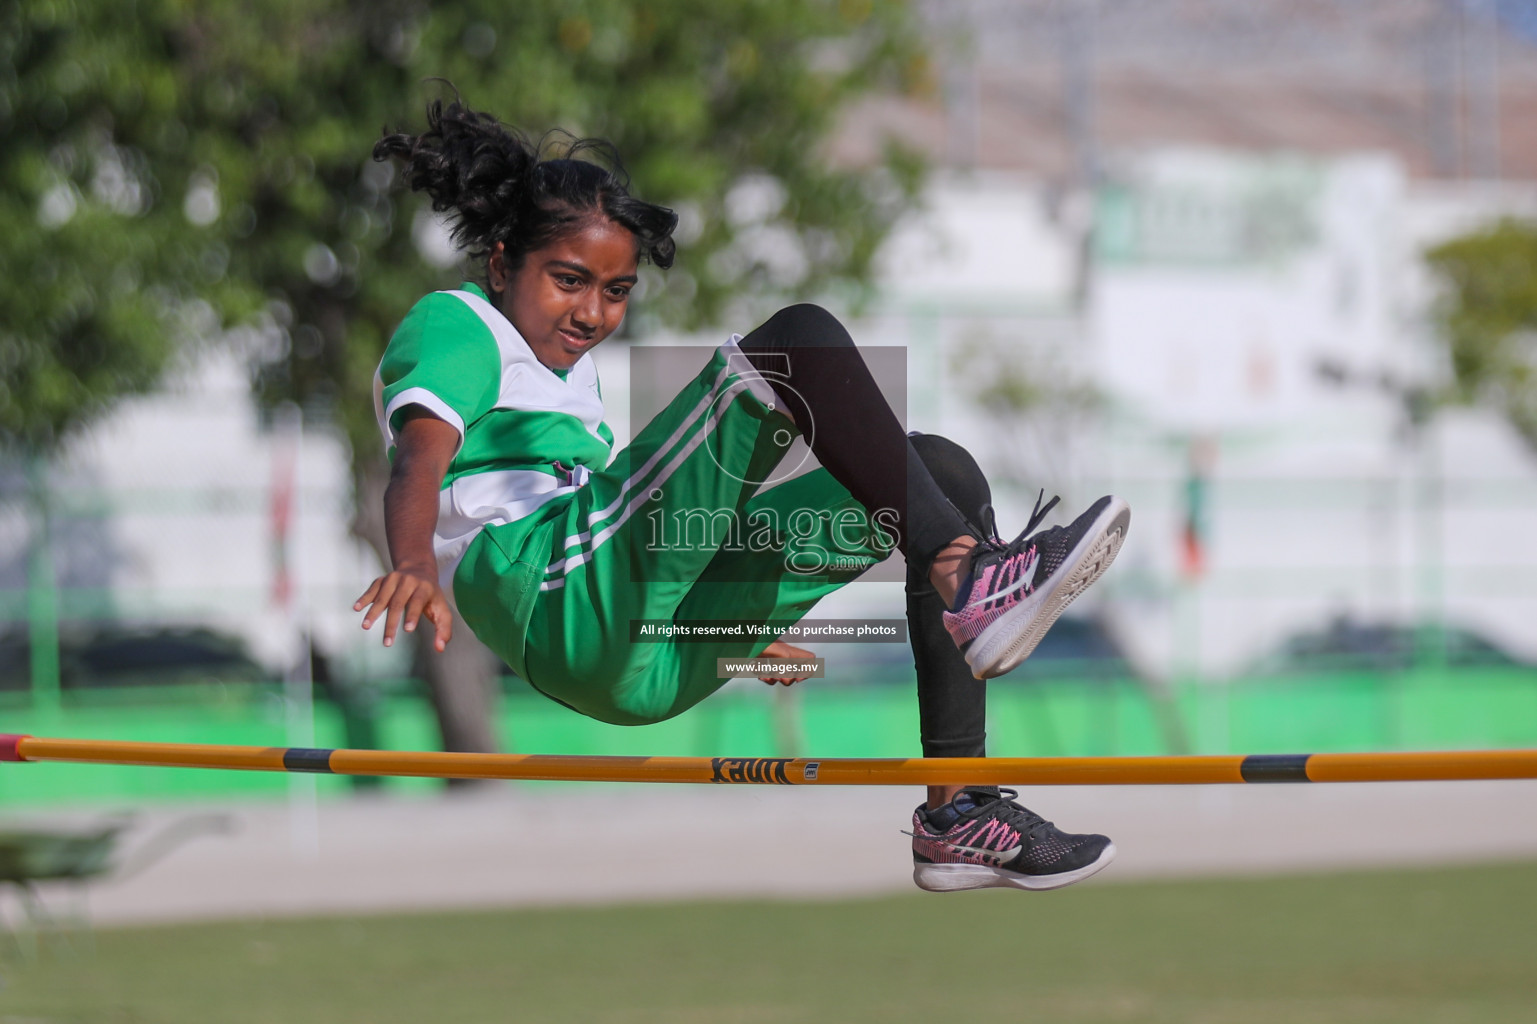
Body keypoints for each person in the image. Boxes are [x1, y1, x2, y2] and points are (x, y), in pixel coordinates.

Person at [354, 98, 1131, 892]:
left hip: (634, 662)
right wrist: (410, 559)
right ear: (499, 262)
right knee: (795, 344)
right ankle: (970, 580)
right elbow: (419, 457)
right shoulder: (460, 324)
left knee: (942, 472)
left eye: (616, 291)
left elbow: (637, 556)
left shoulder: (568, 379)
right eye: (568, 281)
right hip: (547, 594)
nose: (592, 312)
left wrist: (734, 637)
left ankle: (957, 814)